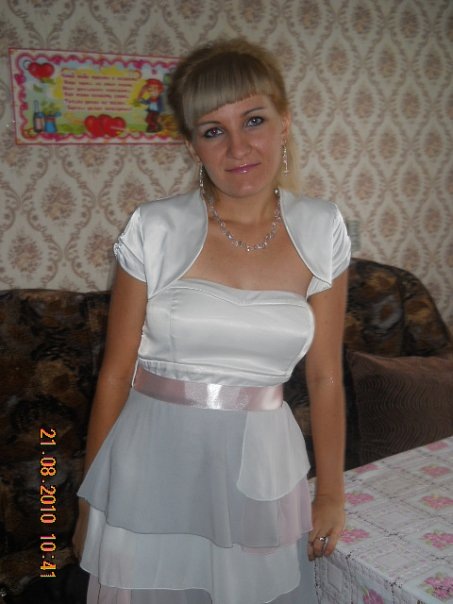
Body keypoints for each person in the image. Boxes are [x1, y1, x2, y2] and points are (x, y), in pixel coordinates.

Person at [73, 37, 351, 604]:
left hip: (263, 467)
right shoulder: (154, 228)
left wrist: (331, 493)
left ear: (284, 123)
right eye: (213, 130)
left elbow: (325, 376)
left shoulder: (324, 229)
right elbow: (115, 374)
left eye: (253, 120)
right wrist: (85, 505)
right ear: (193, 145)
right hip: (150, 468)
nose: (238, 147)